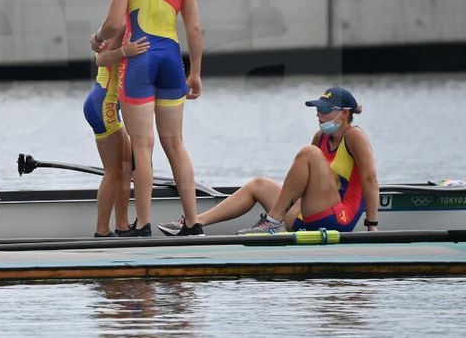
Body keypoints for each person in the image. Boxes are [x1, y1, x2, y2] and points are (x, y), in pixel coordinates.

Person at [90, 0, 203, 237]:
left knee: (142, 146)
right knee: (176, 144)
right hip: (171, 59)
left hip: (141, 60)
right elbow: (194, 29)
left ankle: (142, 225)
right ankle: (193, 223)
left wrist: (97, 38)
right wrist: (194, 72)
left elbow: (114, 24)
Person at [161, 87, 379, 235]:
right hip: (309, 214)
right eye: (317, 109)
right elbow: (304, 182)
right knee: (260, 184)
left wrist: (372, 226)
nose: (318, 115)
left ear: (343, 114)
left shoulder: (354, 136)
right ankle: (194, 223)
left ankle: (272, 222)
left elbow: (370, 180)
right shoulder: (320, 137)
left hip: (339, 219)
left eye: (323, 110)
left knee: (308, 153)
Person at [84, 34, 149, 237]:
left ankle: (122, 225)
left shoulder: (130, 26)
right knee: (113, 171)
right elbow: (101, 58)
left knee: (126, 168)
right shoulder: (121, 25)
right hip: (104, 104)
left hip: (110, 105)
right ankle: (101, 230)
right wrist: (124, 52)